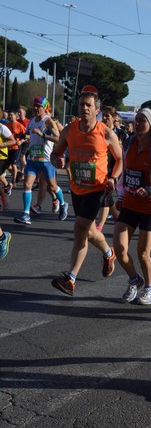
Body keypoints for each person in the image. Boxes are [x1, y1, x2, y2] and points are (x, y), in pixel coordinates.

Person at [50, 86, 122, 296]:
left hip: (97, 188)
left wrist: (113, 178)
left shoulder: (106, 133)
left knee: (80, 228)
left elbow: (119, 160)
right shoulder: (69, 130)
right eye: (81, 104)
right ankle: (109, 253)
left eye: (89, 105)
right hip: (77, 188)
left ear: (96, 109)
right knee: (88, 231)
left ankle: (70, 278)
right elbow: (55, 155)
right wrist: (58, 160)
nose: (84, 108)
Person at [113, 107, 151, 306]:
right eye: (137, 120)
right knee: (119, 248)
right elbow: (126, 173)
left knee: (142, 253)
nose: (138, 123)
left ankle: (149, 288)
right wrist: (121, 194)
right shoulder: (130, 143)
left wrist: (150, 191)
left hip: (150, 206)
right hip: (130, 204)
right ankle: (134, 279)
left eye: (143, 120)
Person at [13, 97, 68, 226]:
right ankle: (26, 214)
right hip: (33, 159)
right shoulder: (32, 121)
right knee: (27, 184)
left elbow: (58, 139)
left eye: (39, 106)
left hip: (46, 160)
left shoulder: (48, 121)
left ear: (45, 108)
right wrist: (21, 136)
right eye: (35, 106)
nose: (36, 108)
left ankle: (63, 203)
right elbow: (29, 135)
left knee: (52, 186)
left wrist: (43, 135)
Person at [0, 109, 16, 210]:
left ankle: (4, 197)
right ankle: (5, 192)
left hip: (1, 157)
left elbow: (13, 141)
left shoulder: (2, 127)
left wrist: (2, 144)